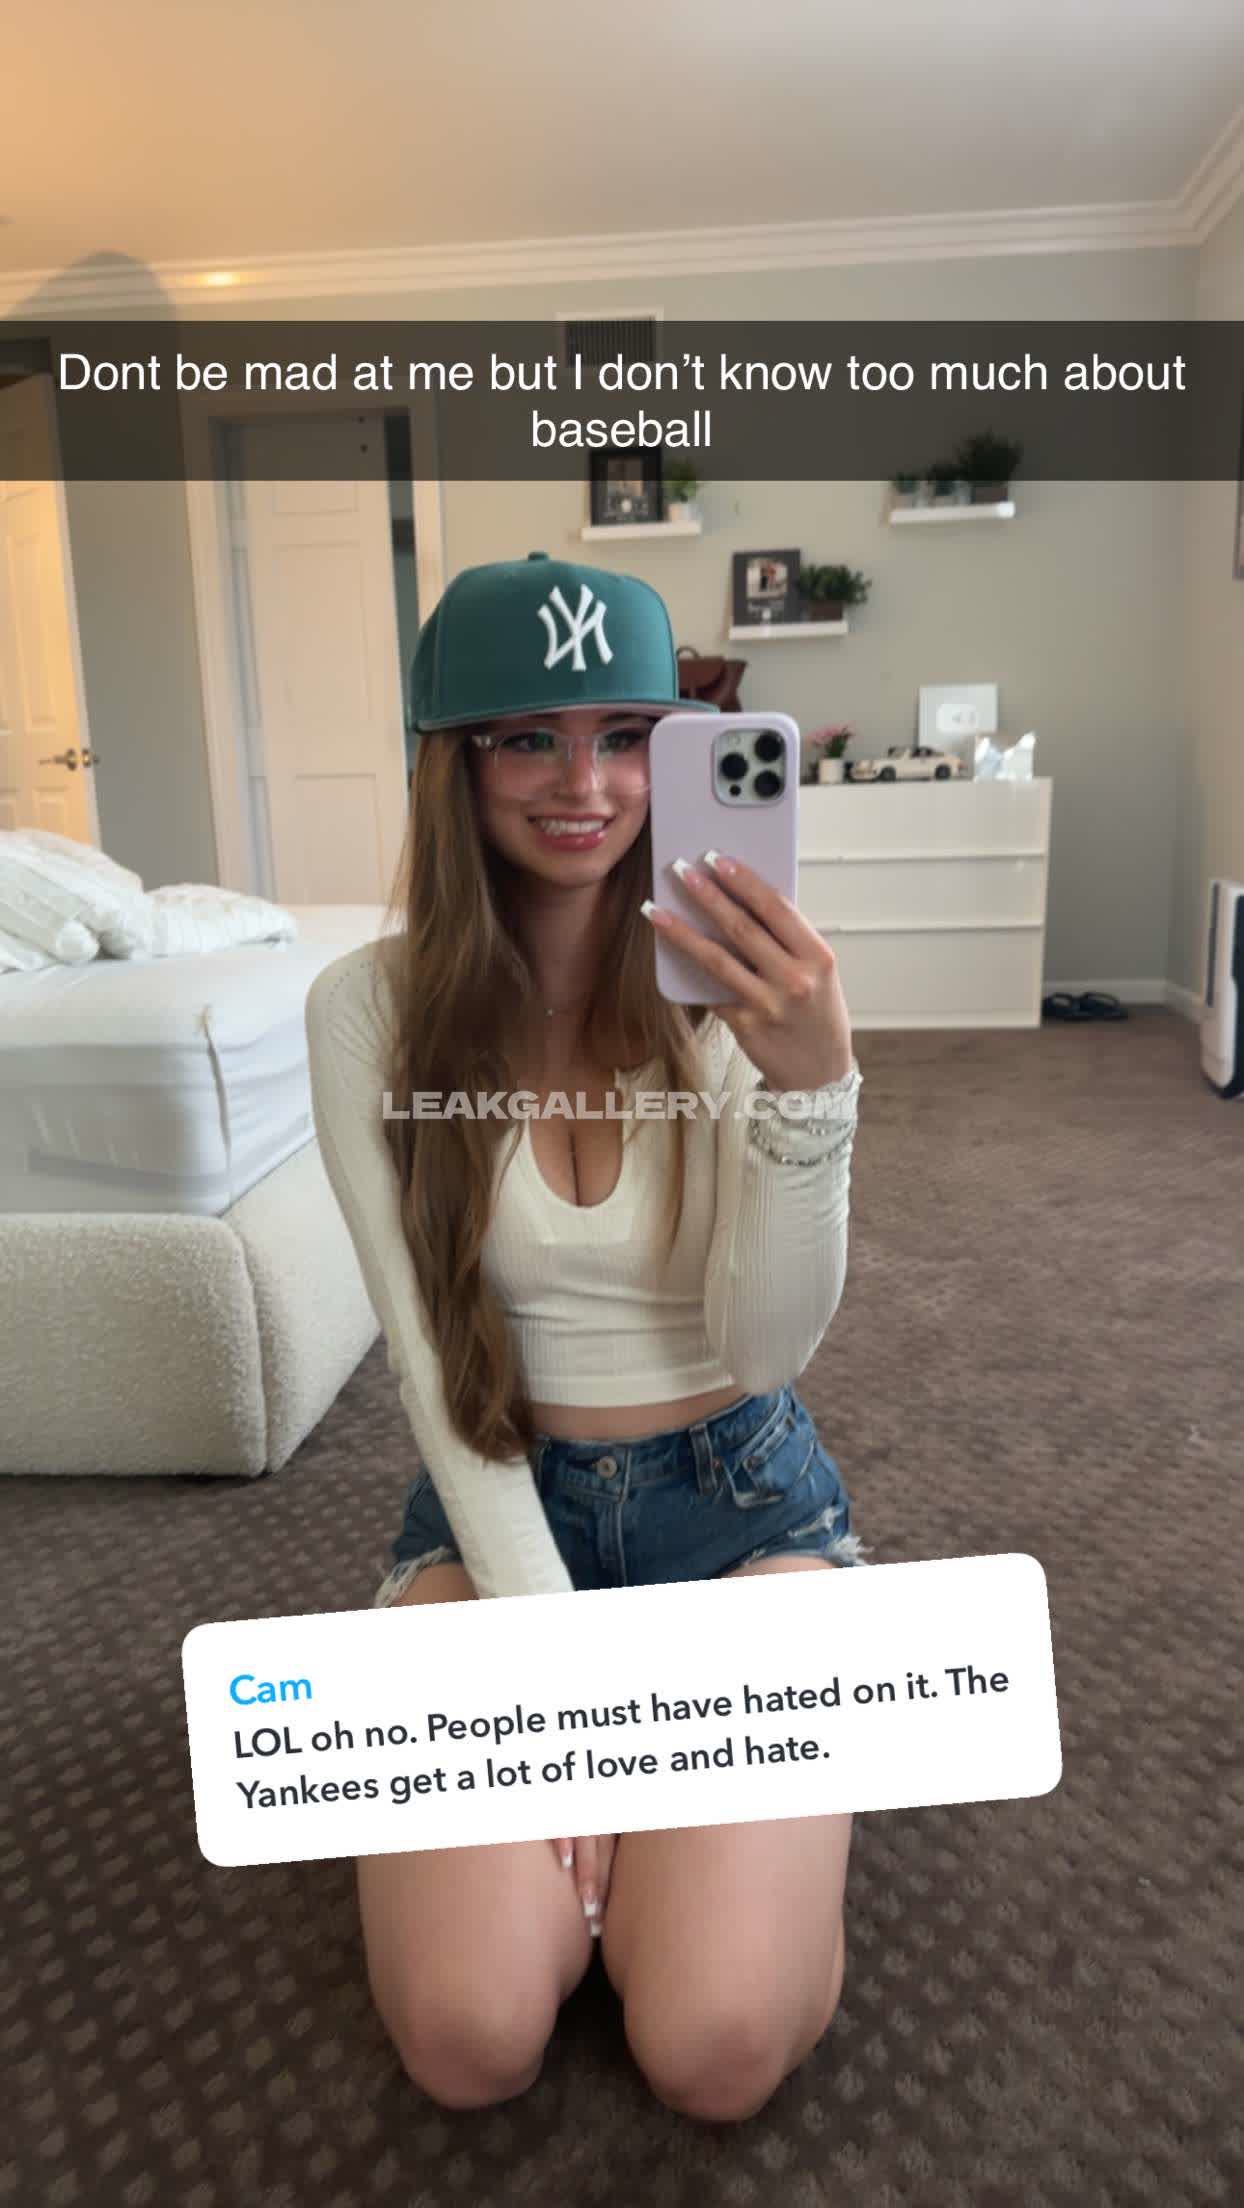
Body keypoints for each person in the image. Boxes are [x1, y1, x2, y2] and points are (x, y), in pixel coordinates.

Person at [305, 551, 865, 2125]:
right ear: (453, 761)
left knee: (714, 2047)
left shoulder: (740, 988)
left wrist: (811, 1092)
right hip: (498, 1513)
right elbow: (430, 1363)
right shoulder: (366, 1011)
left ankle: (757, 1818)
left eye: (625, 735)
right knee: (470, 2037)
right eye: (526, 738)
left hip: (740, 1516)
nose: (585, 785)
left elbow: (767, 1347)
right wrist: (563, 1694)